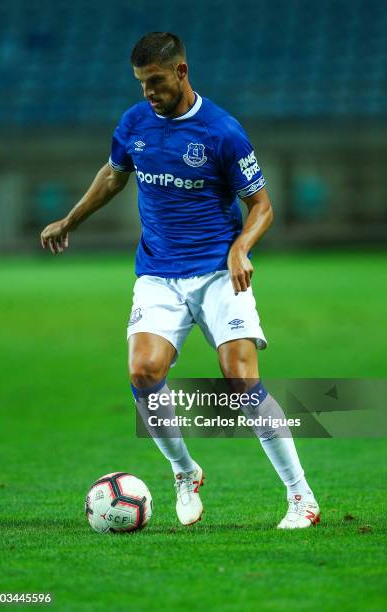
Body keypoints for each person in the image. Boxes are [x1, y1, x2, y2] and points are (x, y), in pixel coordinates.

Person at [41, 32, 320, 529]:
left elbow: (263, 205)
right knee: (143, 372)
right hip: (158, 272)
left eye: (155, 81)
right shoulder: (134, 123)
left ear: (181, 72)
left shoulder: (222, 132)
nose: (148, 92)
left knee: (241, 380)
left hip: (217, 272)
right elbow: (113, 175)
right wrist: (70, 220)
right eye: (141, 83)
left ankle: (302, 498)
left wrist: (240, 248)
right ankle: (184, 472)